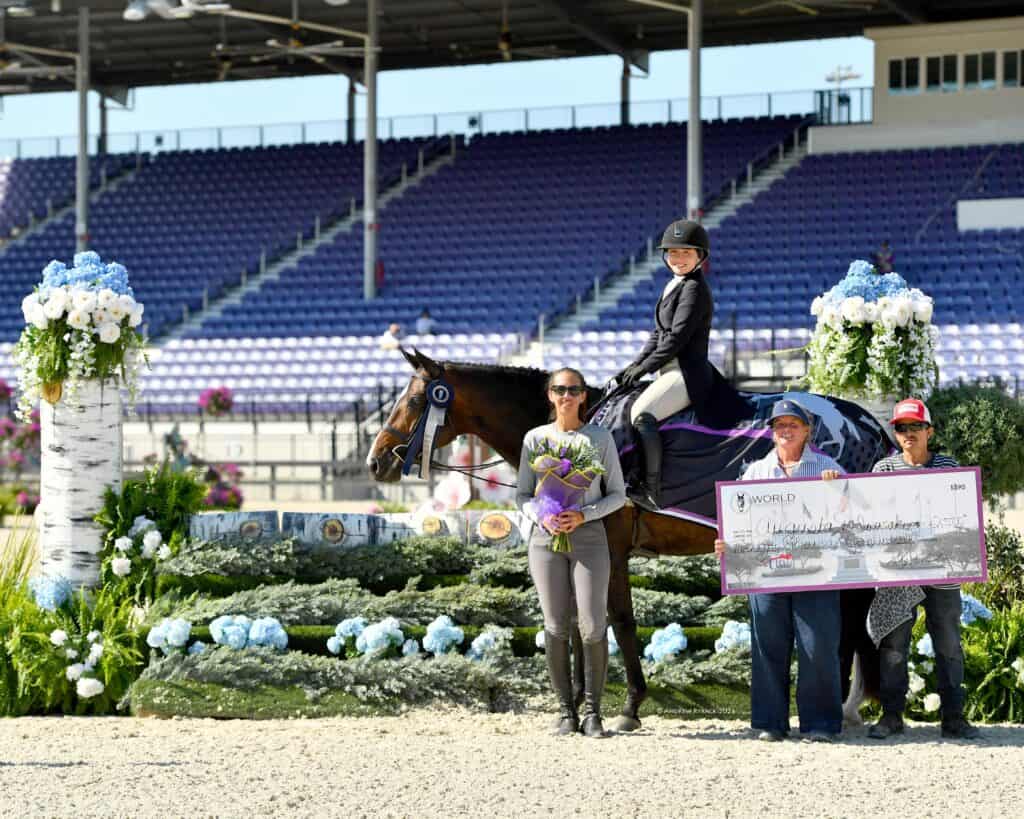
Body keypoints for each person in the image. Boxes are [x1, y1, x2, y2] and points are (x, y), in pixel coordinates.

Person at [715, 399, 845, 743]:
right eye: (779, 426)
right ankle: (770, 723)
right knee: (768, 647)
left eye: (793, 425)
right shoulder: (755, 471)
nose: (785, 431)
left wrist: (839, 492)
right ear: (772, 433)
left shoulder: (829, 468)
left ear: (807, 430)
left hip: (817, 573)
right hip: (767, 573)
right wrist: (728, 545)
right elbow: (740, 523)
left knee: (817, 647)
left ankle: (821, 724)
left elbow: (853, 519)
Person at [516, 367, 626, 737]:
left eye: (573, 389)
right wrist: (543, 516)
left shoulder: (599, 438)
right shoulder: (534, 439)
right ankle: (566, 710)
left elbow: (618, 495)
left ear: (583, 396)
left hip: (589, 537)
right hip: (546, 541)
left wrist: (584, 514)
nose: (566, 395)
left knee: (593, 623)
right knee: (555, 624)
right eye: (559, 389)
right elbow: (522, 495)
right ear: (550, 395)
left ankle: (593, 711)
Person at [866, 398, 980, 741]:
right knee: (894, 645)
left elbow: (960, 513)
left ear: (929, 431)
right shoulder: (883, 470)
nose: (909, 434)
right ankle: (891, 715)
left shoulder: (948, 466)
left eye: (916, 427)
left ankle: (953, 717)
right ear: (896, 434)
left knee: (948, 643)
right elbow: (870, 520)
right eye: (902, 428)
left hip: (942, 570)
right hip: (897, 573)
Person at [614, 219, 716, 510]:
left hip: (687, 372)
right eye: (673, 252)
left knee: (642, 414)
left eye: (686, 253)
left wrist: (643, 370)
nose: (678, 258)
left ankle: (652, 487)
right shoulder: (674, 285)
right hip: (669, 369)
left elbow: (675, 340)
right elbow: (657, 335)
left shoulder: (694, 289)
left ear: (700, 256)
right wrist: (632, 367)